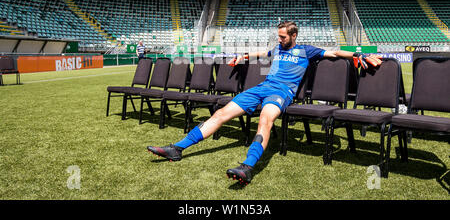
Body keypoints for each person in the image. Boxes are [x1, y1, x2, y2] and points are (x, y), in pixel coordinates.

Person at [147, 21, 382, 185]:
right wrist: (243, 57)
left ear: (293, 36)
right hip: (261, 89)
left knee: (265, 120)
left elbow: (335, 53)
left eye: (282, 36)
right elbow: (262, 53)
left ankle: (247, 167)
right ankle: (177, 149)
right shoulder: (277, 48)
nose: (278, 40)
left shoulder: (307, 51)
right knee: (221, 114)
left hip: (282, 93)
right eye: (278, 36)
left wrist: (358, 55)